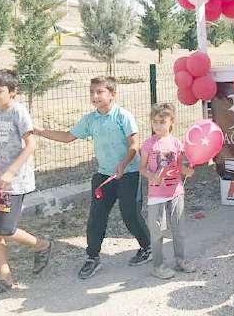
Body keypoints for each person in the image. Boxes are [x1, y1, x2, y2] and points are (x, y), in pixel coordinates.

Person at [34, 76, 151, 280]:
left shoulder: (123, 116)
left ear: (112, 94)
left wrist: (123, 164)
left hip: (128, 174)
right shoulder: (91, 119)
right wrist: (39, 131)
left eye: (100, 92)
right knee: (96, 217)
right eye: (92, 92)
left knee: (130, 214)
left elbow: (134, 145)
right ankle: (92, 257)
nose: (95, 96)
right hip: (104, 175)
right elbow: (68, 137)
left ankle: (146, 247)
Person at [0, 69, 52, 298]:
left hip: (13, 183)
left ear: (13, 92)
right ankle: (5, 277)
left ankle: (42, 245)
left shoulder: (18, 111)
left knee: (6, 229)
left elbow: (31, 145)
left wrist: (10, 172)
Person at [139, 103, 196, 280]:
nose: (157, 125)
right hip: (156, 195)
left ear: (172, 122)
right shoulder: (148, 144)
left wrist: (189, 171)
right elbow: (142, 168)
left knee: (178, 228)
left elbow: (180, 167)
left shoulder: (177, 143)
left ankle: (181, 260)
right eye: (154, 122)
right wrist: (151, 176)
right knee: (157, 230)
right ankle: (158, 265)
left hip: (176, 191)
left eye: (162, 121)